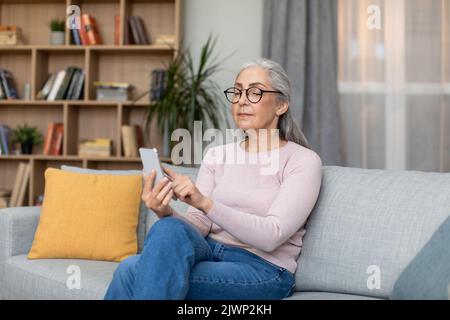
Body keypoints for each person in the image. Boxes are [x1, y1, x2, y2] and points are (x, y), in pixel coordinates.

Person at [104, 58, 322, 300]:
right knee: (168, 227)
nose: (242, 100)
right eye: (237, 91)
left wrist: (206, 203)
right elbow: (199, 223)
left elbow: (272, 235)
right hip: (207, 250)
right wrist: (164, 210)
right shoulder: (218, 154)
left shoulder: (302, 160)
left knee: (131, 271)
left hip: (262, 268)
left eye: (254, 93)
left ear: (281, 105)